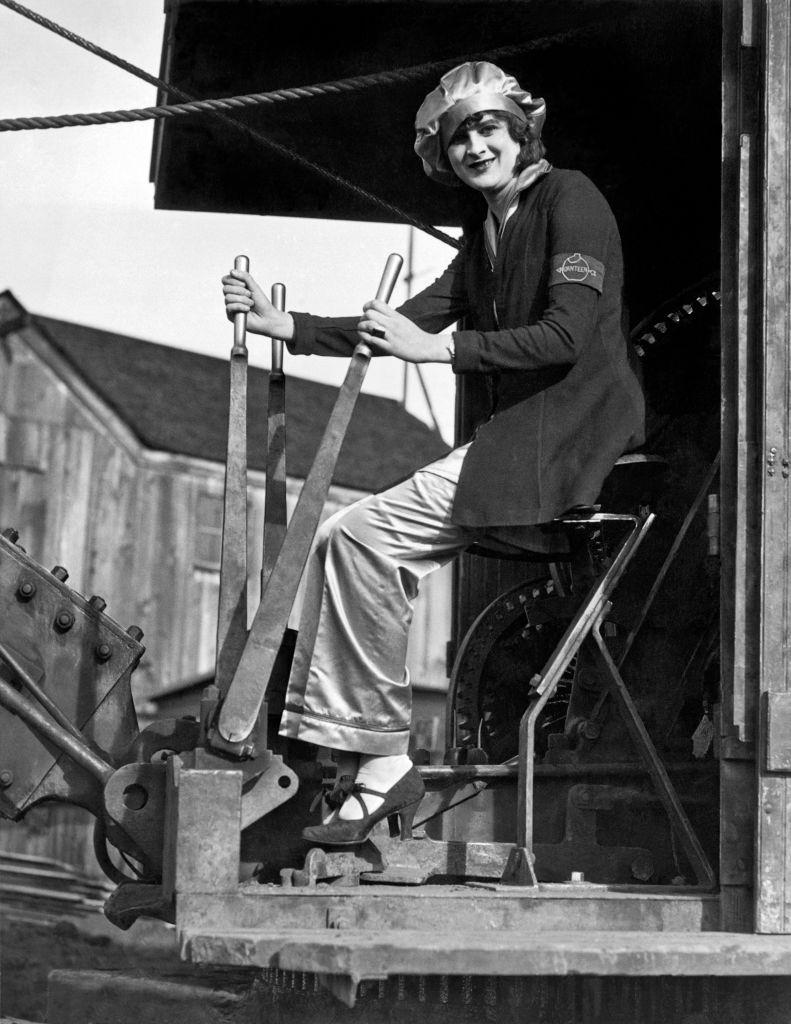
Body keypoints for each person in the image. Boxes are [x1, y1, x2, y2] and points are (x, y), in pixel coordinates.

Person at [221, 61, 645, 846]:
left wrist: (440, 354)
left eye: (489, 129)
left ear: (522, 131)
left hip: (573, 428)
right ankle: (351, 758)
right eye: (459, 139)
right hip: (525, 436)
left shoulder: (568, 199)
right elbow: (402, 321)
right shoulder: (485, 234)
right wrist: (292, 328)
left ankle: (381, 761)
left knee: (357, 536)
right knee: (334, 540)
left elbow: (566, 335)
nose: (475, 147)